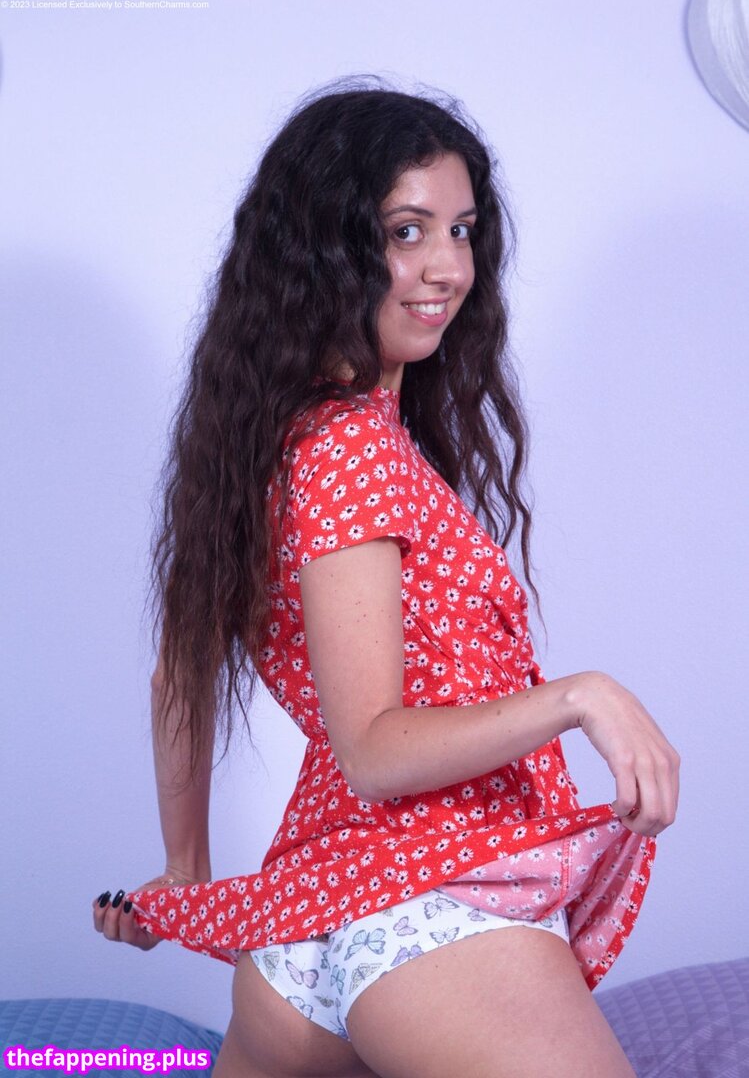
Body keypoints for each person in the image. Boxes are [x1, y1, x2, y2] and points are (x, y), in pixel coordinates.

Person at [92, 82, 680, 1077]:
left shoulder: (278, 440)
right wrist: (581, 696)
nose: (447, 266)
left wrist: (183, 869)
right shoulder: (352, 451)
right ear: (323, 250)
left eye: (461, 229)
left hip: (318, 916)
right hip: (434, 908)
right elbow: (370, 748)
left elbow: (177, 673)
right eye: (405, 232)